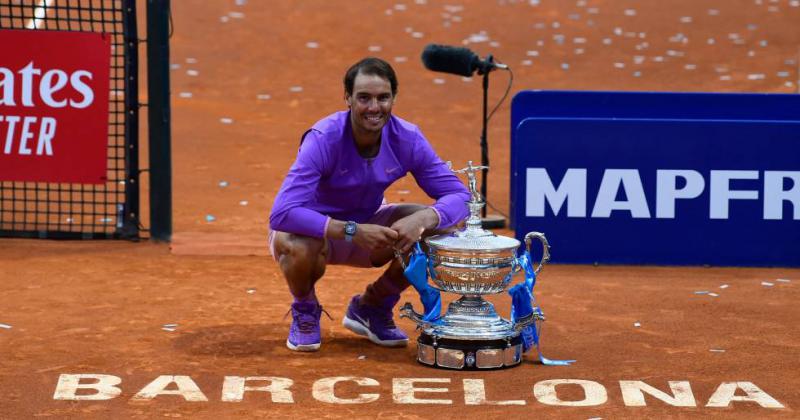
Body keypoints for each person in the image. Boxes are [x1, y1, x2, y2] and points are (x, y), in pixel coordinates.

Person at [269, 57, 470, 352]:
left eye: (382, 98)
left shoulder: (408, 138)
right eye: (364, 97)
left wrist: (425, 218)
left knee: (442, 228)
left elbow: (462, 197)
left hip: (371, 227)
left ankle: (372, 306)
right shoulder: (323, 139)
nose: (374, 108)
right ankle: (305, 308)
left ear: (394, 98)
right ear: (348, 98)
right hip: (315, 234)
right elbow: (282, 213)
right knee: (296, 245)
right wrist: (351, 231)